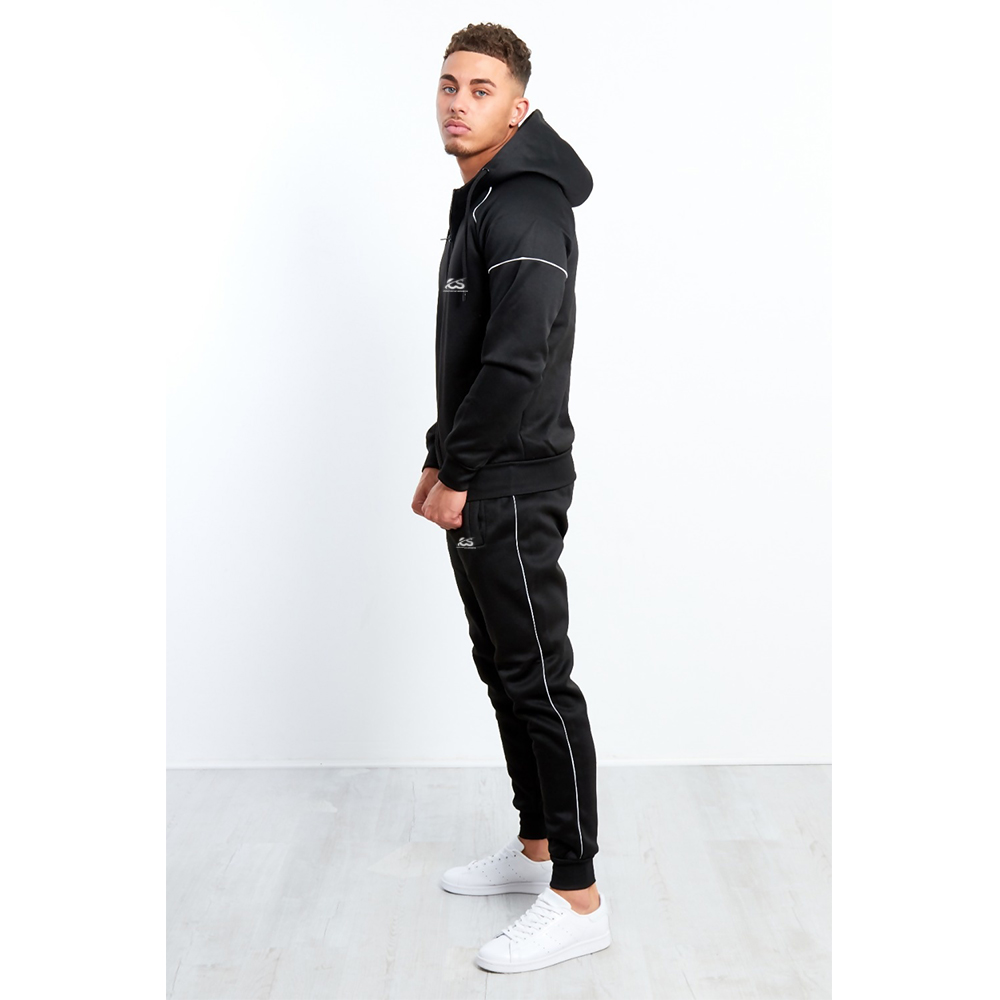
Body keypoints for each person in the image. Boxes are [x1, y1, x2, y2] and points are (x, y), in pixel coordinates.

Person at [411, 23, 610, 974]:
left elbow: (516, 360)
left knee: (537, 680)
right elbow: (471, 353)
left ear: (518, 107)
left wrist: (460, 472)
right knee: (502, 667)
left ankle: (578, 895)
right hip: (485, 471)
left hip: (515, 483)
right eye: (449, 84)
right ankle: (536, 846)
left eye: (481, 89)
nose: (459, 102)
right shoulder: (483, 197)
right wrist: (437, 454)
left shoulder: (525, 206)